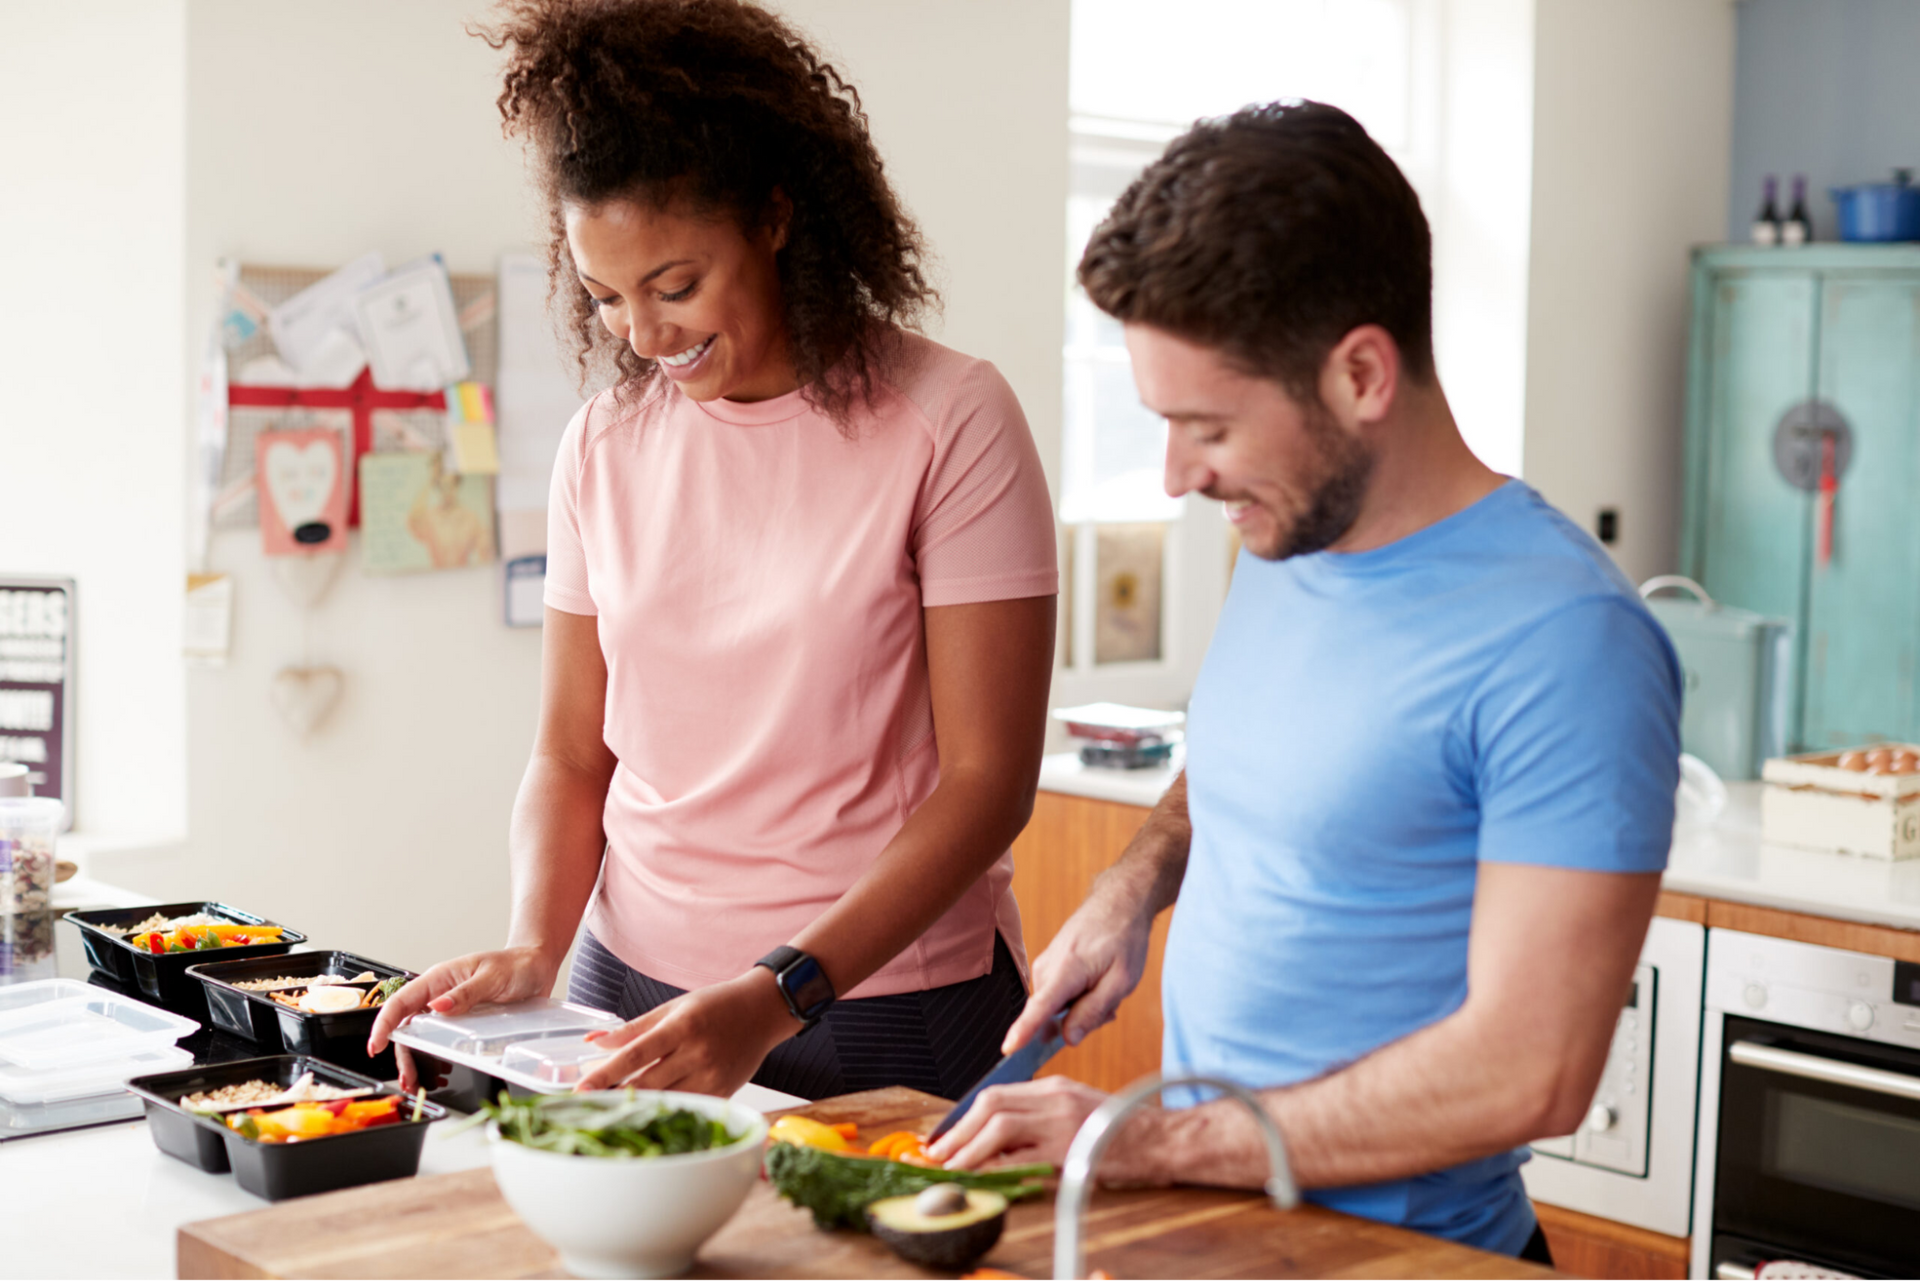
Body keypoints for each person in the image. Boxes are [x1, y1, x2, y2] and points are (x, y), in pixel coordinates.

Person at [930, 102, 1681, 1265]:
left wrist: (1146, 1145)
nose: (1178, 475)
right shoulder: (1285, 541)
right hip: (1220, 1236)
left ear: (1362, 374)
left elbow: (1535, 1071)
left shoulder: (1567, 639)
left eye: (1206, 426)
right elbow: (1255, 756)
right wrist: (1134, 888)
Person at [369, 0, 1058, 1102]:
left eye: (676, 286)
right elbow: (569, 752)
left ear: (777, 217)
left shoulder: (952, 418)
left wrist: (780, 988)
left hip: (878, 1003)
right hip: (620, 988)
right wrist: (535, 947)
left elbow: (988, 784)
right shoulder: (605, 443)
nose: (644, 336)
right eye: (605, 298)